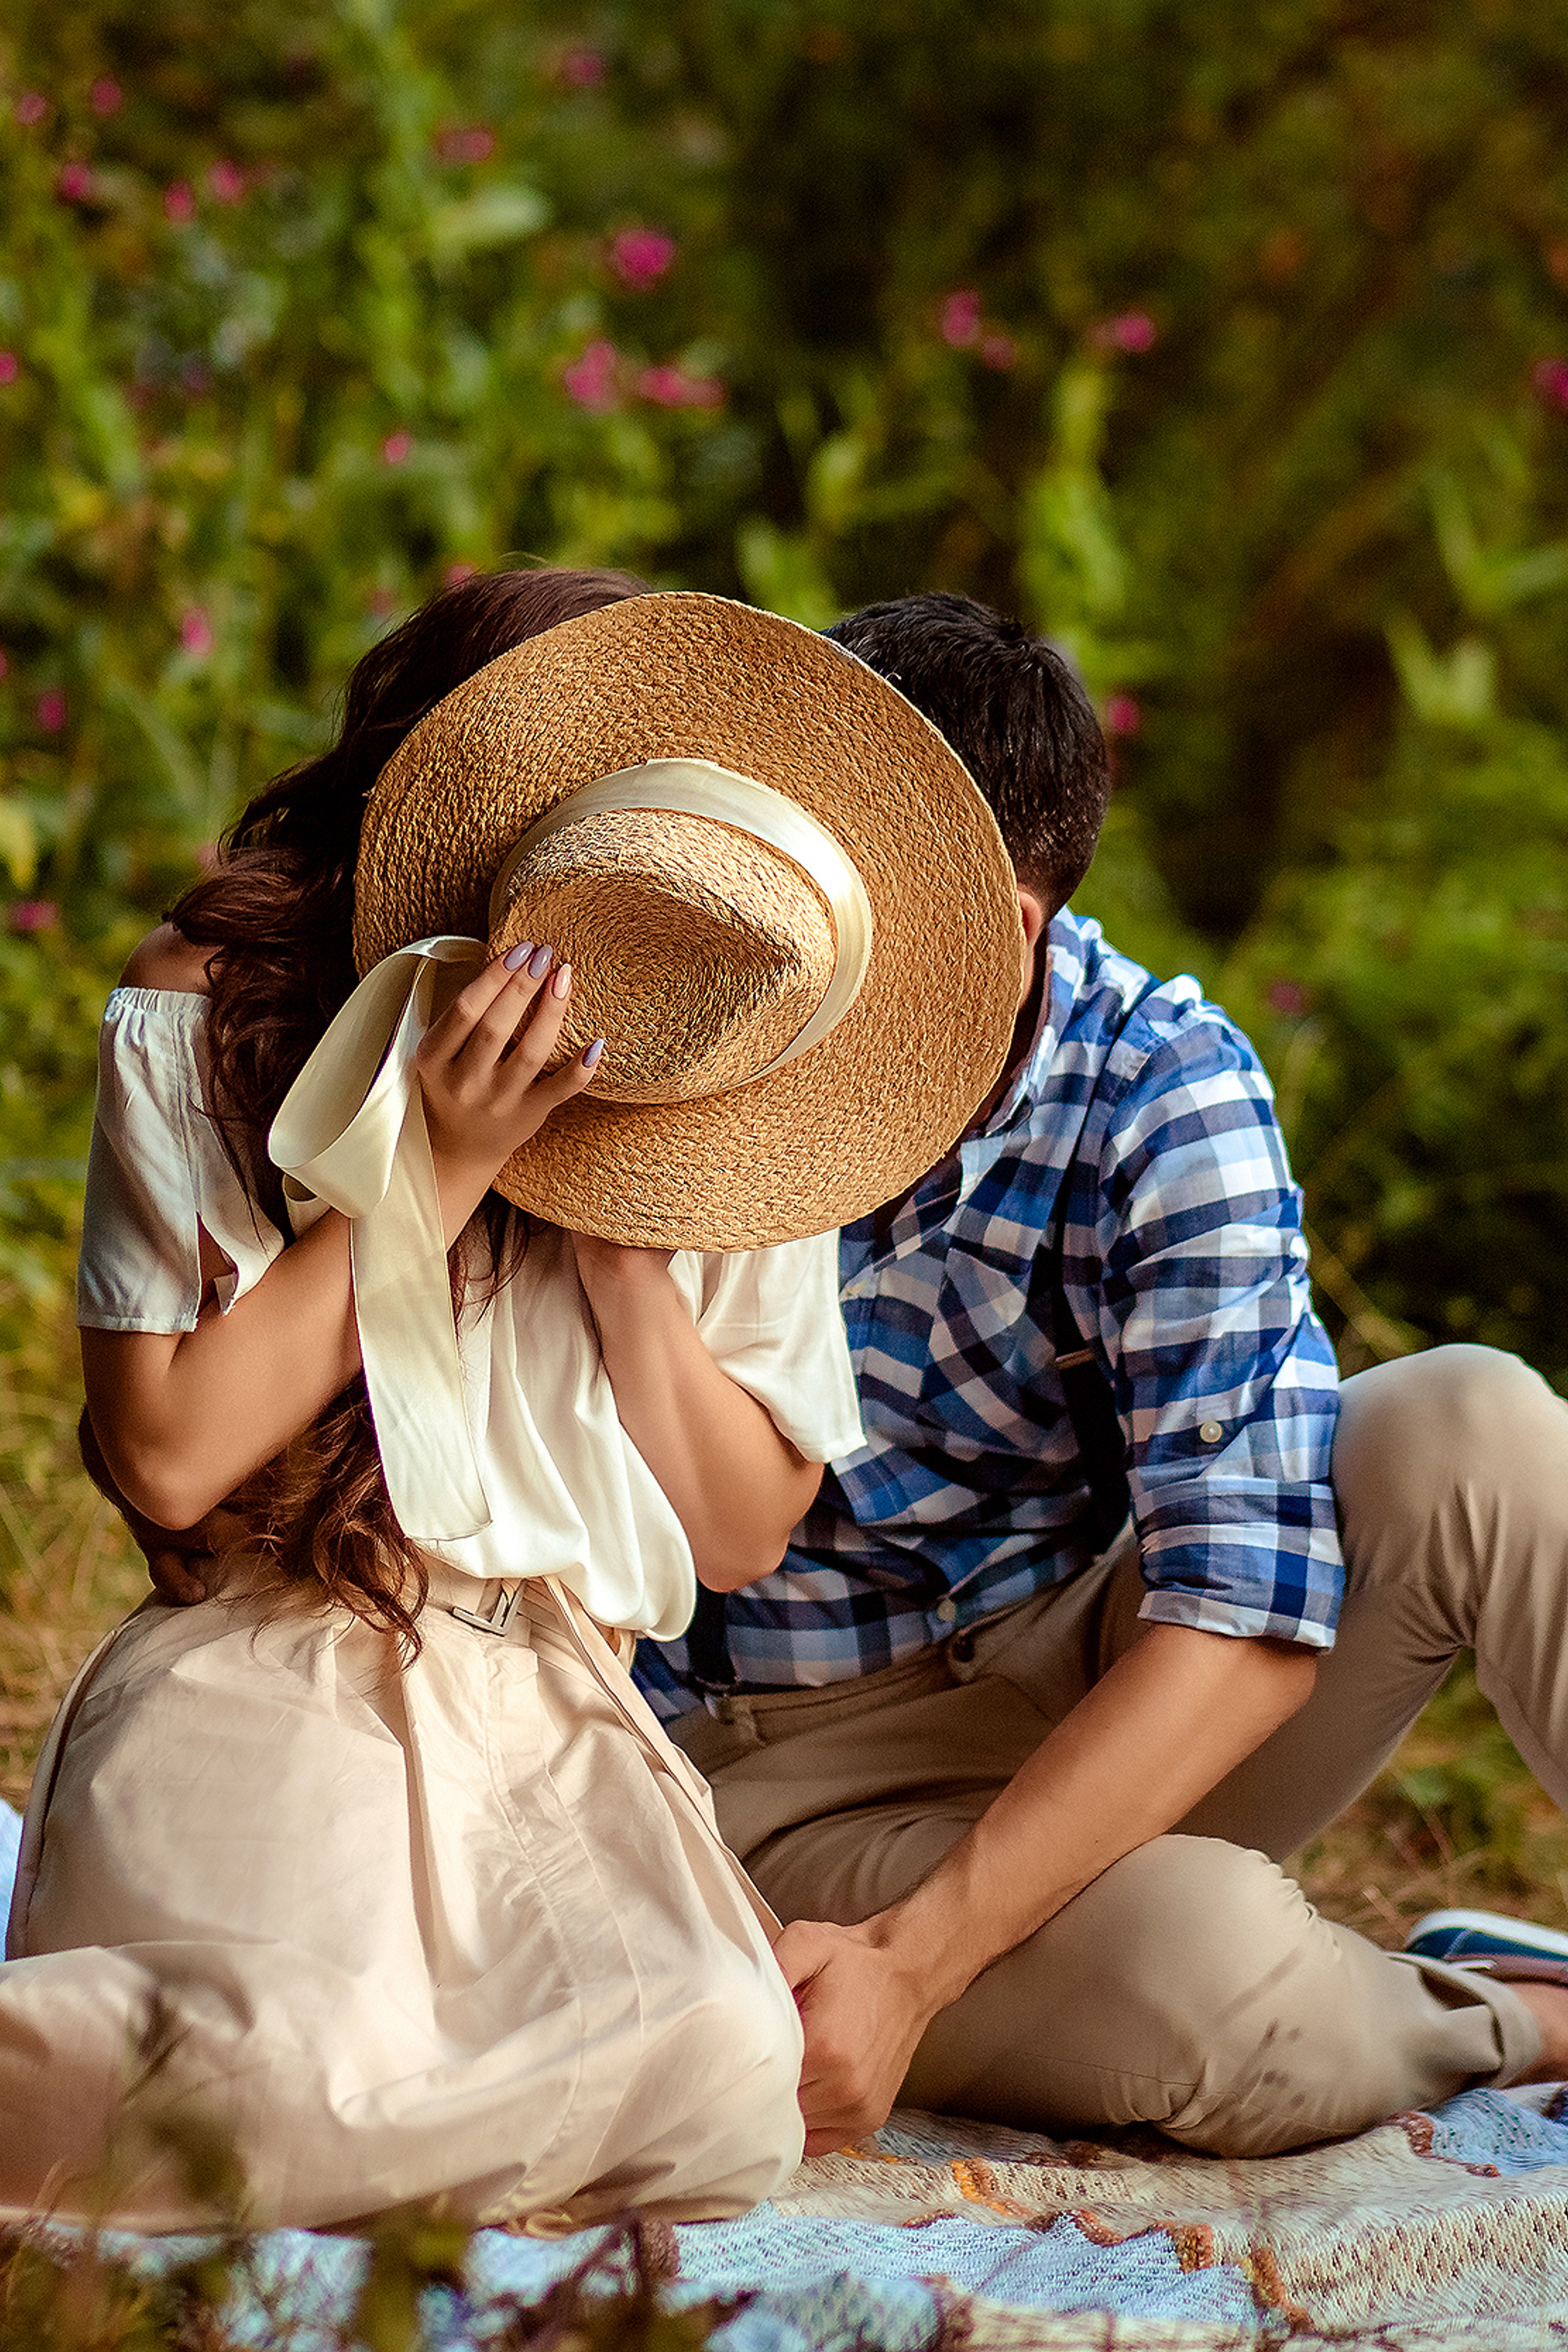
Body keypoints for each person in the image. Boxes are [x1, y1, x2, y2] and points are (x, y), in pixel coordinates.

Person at [0, 571, 1025, 2229]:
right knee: (299, 2071)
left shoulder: (748, 1084)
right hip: (278, 1653)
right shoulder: (211, 1000)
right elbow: (170, 1456)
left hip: (555, 1705)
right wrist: (440, 1168)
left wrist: (629, 1227)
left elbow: (741, 1528)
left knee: (715, 2075)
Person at [638, 590, 1568, 2162]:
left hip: (1098, 1671)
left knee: (1473, 1423)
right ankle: (1510, 2016)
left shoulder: (1153, 1080)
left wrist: (922, 1967)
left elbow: (1245, 1612)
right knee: (1201, 1974)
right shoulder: (700, 1021)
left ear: (1006, 931)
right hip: (780, 1769)